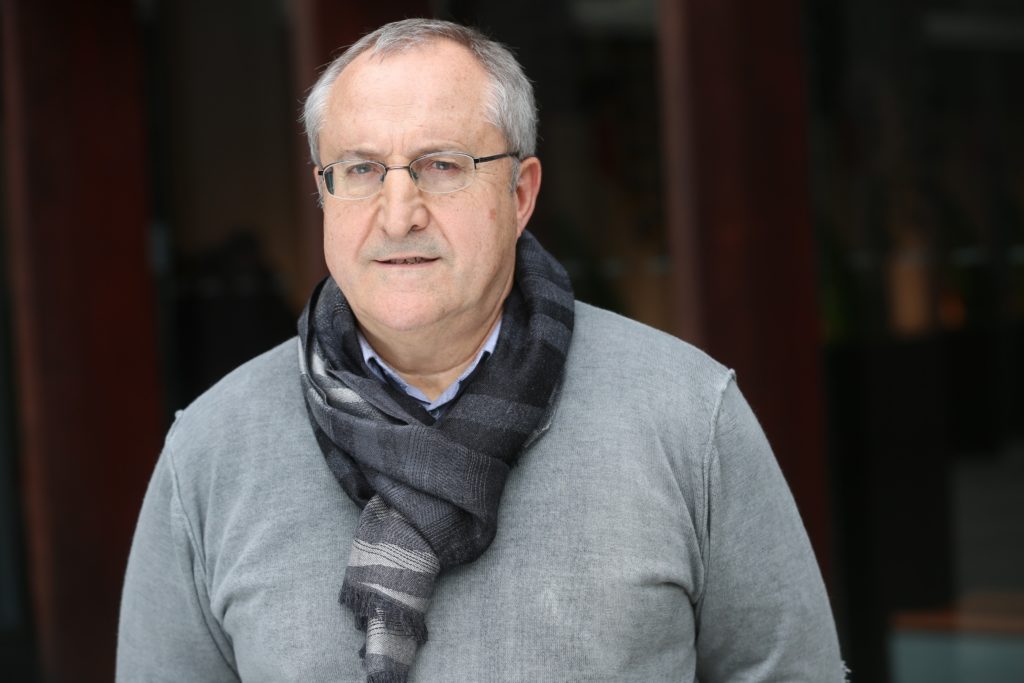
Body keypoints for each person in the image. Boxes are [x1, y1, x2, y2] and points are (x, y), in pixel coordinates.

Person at [117, 18, 845, 683]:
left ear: (520, 194)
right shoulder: (210, 453)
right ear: (324, 193)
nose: (398, 215)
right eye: (361, 169)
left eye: (441, 165)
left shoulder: (686, 415)